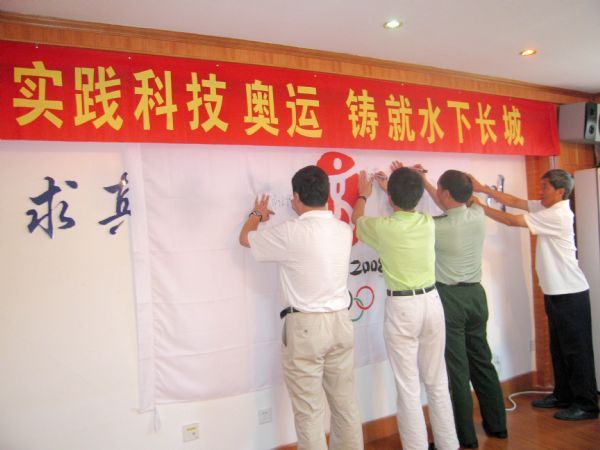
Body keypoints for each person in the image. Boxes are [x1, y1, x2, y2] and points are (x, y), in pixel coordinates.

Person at [239, 165, 364, 450]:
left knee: (309, 413)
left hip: (305, 328)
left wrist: (257, 214)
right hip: (341, 323)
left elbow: (245, 239)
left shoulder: (290, 232)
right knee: (345, 405)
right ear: (327, 195)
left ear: (296, 196)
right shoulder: (343, 230)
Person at [470, 169, 599, 421]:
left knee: (576, 351)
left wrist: (479, 206)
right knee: (559, 349)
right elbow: (516, 202)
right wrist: (482, 189)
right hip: (555, 292)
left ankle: (586, 405)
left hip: (570, 294)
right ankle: (563, 395)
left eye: (545, 187)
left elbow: (512, 220)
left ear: (560, 191)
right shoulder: (547, 207)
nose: (540, 192)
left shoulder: (558, 214)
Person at [352, 162, 459, 450]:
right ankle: (449, 445)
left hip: (403, 308)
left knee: (408, 388)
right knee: (437, 382)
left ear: (389, 199)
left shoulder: (384, 227)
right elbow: (405, 200)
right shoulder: (427, 222)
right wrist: (394, 187)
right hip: (432, 303)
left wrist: (363, 195)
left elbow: (357, 219)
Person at [420, 168, 507, 448]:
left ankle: (464, 437)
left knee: (457, 370)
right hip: (476, 297)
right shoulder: (478, 214)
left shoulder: (438, 227)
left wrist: (419, 183)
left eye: (439, 190)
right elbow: (451, 203)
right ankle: (498, 425)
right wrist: (425, 182)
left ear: (446, 193)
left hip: (451, 299)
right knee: (482, 360)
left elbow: (445, 207)